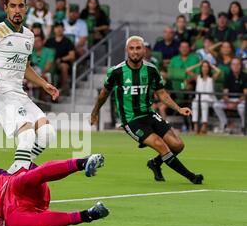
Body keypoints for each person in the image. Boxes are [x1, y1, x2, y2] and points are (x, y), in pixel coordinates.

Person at [90, 36, 203, 184]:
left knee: (177, 145)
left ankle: (155, 163)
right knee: (160, 145)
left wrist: (179, 108)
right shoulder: (116, 72)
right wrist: (94, 112)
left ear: (144, 50)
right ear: (126, 51)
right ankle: (191, 177)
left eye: (138, 48)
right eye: (132, 48)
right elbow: (104, 94)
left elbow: (162, 93)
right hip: (131, 120)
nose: (135, 52)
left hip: (149, 114)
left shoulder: (151, 70)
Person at [0, 0, 60, 174]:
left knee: (47, 134)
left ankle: (17, 172)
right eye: (13, 6)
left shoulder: (29, 35)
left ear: (26, 9)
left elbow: (26, 68)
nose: (17, 10)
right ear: (6, 9)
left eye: (20, 6)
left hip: (19, 92)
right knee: (26, 135)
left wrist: (44, 84)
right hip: (0, 92)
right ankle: (18, 176)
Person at [186, 60, 221, 134]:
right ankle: (195, 126)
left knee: (204, 104)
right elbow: (187, 70)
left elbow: (219, 71)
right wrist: (198, 64)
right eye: (203, 67)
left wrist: (211, 65)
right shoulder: (197, 77)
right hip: (198, 98)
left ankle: (204, 125)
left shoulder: (212, 78)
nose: (205, 68)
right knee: (194, 104)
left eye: (206, 67)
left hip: (209, 98)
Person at [213, 57, 247, 132]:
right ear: (231, 66)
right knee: (216, 105)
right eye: (233, 64)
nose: (235, 66)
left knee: (241, 108)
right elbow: (225, 93)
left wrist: (236, 103)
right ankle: (224, 123)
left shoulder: (245, 76)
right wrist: (228, 102)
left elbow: (245, 94)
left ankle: (243, 126)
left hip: (241, 100)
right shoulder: (228, 76)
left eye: (237, 64)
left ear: (240, 66)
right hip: (230, 100)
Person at [45, 21, 75, 94]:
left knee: (64, 66)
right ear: (54, 29)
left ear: (63, 29)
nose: (58, 29)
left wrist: (61, 59)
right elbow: (44, 53)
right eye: (56, 27)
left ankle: (64, 87)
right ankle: (48, 89)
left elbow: (72, 55)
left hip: (62, 63)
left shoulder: (68, 41)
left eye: (60, 27)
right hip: (51, 62)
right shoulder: (49, 41)